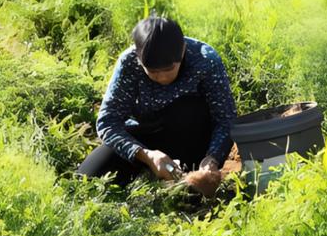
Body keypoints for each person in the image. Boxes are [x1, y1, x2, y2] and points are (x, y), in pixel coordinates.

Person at [77, 16, 237, 187]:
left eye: (169, 69)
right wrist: (146, 155)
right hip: (143, 134)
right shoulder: (128, 62)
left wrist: (212, 159)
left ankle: (186, 176)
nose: (162, 77)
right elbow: (108, 122)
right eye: (152, 71)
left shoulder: (205, 60)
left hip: (190, 134)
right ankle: (150, 171)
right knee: (87, 180)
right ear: (138, 59)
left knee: (188, 111)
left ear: (182, 51)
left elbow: (225, 118)